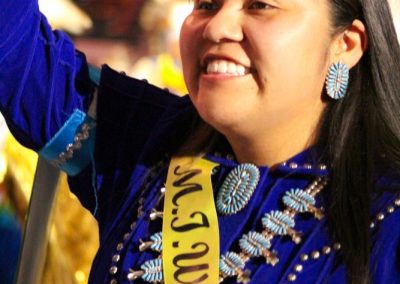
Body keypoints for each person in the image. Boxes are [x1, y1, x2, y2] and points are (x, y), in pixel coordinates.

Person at [1, 0, 400, 283]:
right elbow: (16, 52)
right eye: (207, 3)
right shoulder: (143, 145)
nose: (216, 27)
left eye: (259, 5)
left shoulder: (388, 218)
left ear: (345, 45)